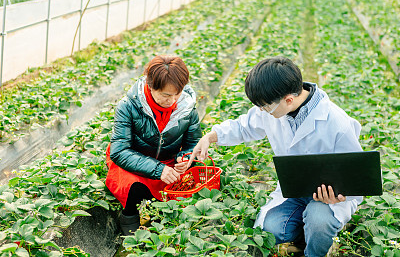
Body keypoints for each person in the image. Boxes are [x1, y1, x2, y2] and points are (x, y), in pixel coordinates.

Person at [187, 56, 363, 257]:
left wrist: (341, 194)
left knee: (319, 221)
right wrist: (211, 137)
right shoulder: (274, 106)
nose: (262, 111)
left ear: (289, 99)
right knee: (269, 229)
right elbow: (244, 126)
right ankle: (307, 234)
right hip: (294, 191)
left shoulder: (337, 122)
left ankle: (316, 248)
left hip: (328, 199)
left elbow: (356, 174)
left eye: (265, 107)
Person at [106, 55, 202, 235]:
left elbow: (193, 143)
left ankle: (160, 216)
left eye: (177, 94)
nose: (172, 100)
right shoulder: (128, 106)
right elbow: (120, 151)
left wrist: (186, 157)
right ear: (150, 86)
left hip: (168, 162)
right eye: (166, 95)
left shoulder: (187, 107)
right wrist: (158, 170)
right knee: (133, 186)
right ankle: (129, 215)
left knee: (185, 183)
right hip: (133, 161)